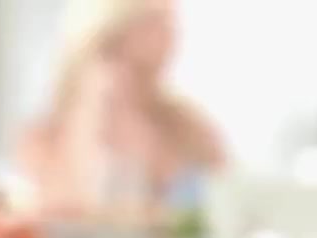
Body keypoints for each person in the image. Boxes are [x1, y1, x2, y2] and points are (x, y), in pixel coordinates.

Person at [18, 0, 225, 220]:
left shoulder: (186, 124)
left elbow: (220, 200)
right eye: (156, 21)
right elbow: (69, 205)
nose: (172, 34)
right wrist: (94, 115)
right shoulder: (45, 137)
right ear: (116, 28)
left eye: (171, 22)